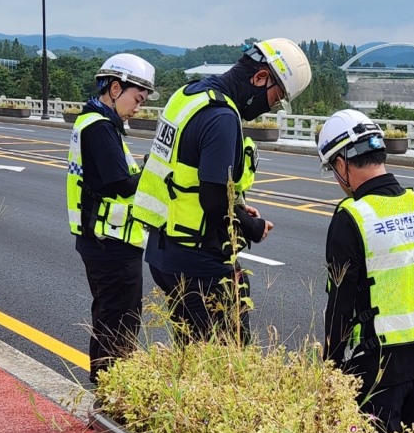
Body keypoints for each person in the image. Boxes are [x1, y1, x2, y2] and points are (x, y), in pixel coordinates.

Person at [132, 38, 311, 343]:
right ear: (260, 78)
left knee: (190, 351)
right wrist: (252, 226)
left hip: (164, 250)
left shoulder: (188, 95)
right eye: (276, 97)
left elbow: (186, 176)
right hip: (197, 261)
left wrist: (237, 209)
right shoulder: (222, 116)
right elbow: (214, 200)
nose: (270, 107)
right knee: (225, 353)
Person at [317, 109, 414, 433]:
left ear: (341, 164)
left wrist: (331, 371)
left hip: (377, 364)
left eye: (333, 170)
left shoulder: (352, 216)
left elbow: (340, 305)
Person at [66, 53, 157, 384]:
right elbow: (121, 185)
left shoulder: (100, 124)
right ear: (115, 89)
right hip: (110, 242)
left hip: (105, 239)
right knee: (119, 320)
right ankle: (110, 390)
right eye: (138, 99)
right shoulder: (100, 127)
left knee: (110, 314)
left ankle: (107, 386)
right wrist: (153, 169)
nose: (138, 108)